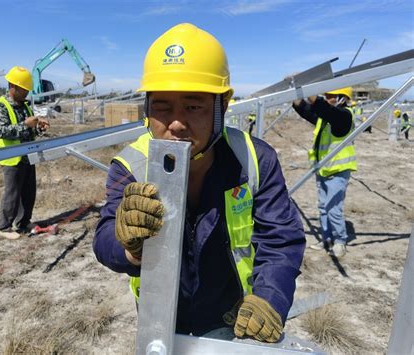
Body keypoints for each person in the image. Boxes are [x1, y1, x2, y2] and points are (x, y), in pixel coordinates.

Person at [93, 23, 305, 342]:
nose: (177, 123)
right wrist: (130, 248)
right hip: (158, 315)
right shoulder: (131, 165)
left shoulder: (254, 159)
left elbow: (280, 238)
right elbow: (105, 236)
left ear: (222, 107)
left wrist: (270, 299)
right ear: (147, 110)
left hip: (229, 315)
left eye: (194, 106)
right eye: (162, 107)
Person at [292, 87, 356, 258]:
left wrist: (306, 86)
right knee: (323, 207)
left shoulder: (344, 117)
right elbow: (306, 110)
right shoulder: (326, 119)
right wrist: (296, 93)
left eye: (330, 96)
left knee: (334, 208)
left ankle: (340, 241)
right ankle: (326, 239)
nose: (327, 98)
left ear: (342, 99)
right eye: (326, 95)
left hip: (338, 170)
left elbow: (324, 108)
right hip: (324, 168)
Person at [0, 66, 50, 239]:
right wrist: (26, 124)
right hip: (11, 157)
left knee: (28, 192)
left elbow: (29, 131)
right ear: (12, 87)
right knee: (12, 193)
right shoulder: (1, 106)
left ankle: (23, 223)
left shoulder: (25, 106)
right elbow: (1, 131)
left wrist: (39, 128)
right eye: (23, 89)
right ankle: (4, 227)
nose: (26, 93)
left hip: (27, 156)